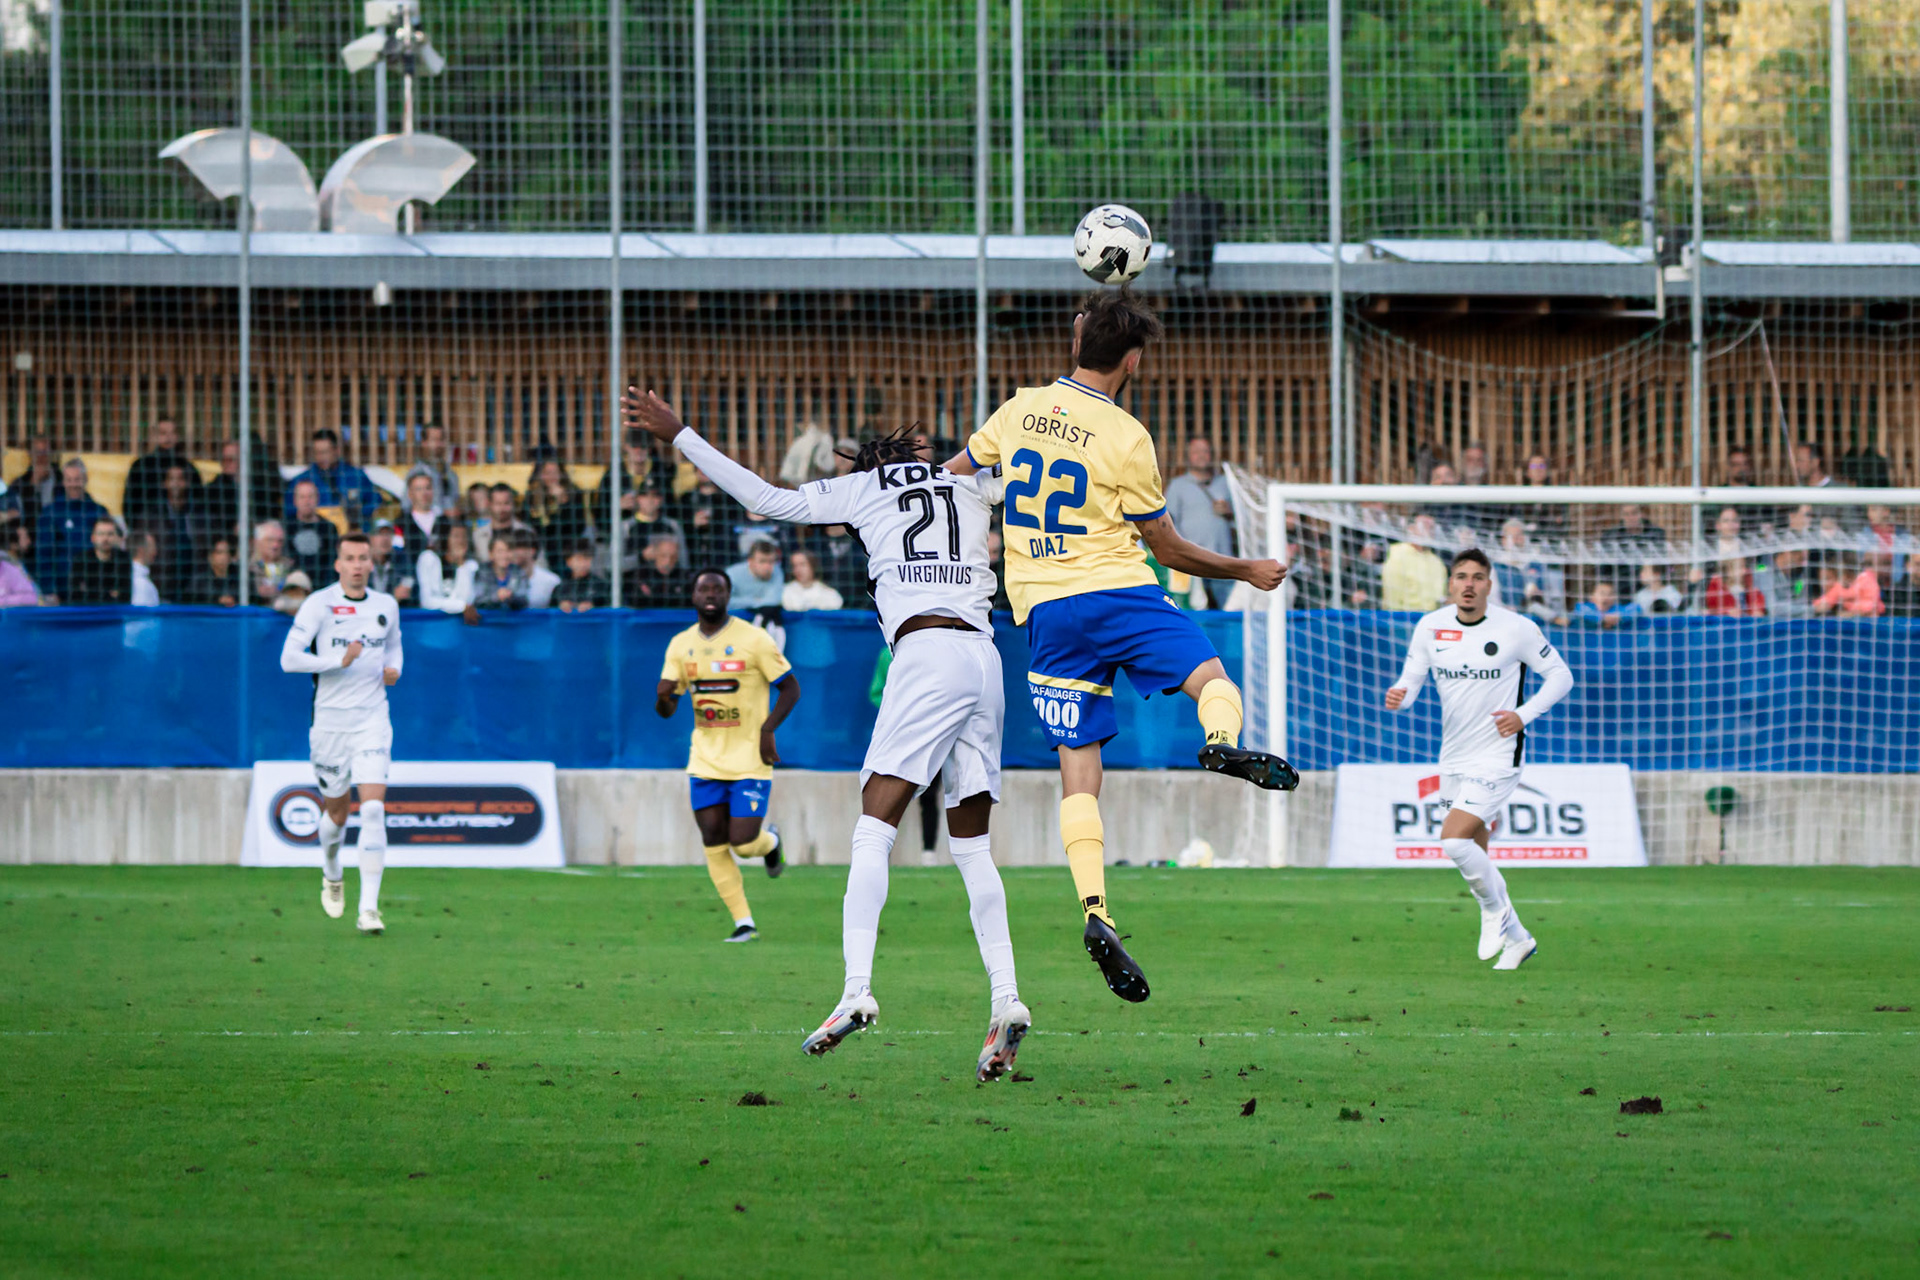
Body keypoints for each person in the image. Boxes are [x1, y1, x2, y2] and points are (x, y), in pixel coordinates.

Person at [628, 390, 1029, 1079]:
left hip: (925, 652)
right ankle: (1007, 999)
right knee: (974, 846)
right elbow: (1035, 477)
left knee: (874, 829)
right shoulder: (970, 479)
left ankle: (855, 991)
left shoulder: (863, 487)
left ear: (872, 461)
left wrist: (681, 435)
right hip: (986, 659)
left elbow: (765, 498)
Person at [939, 290, 1291, 1005]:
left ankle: (1096, 911)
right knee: (1212, 678)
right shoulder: (1128, 437)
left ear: (1078, 341)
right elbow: (1169, 548)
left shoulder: (1017, 409)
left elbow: (953, 475)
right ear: (1134, 359)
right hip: (1118, 593)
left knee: (1079, 772)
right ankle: (1220, 740)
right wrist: (1246, 570)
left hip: (1043, 612)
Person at [1384, 548, 1573, 970]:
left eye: (1477, 577)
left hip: (1499, 754)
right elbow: (1411, 680)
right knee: (1473, 849)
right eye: (1461, 576)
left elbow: (1561, 676)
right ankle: (1519, 938)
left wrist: (1523, 715)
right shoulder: (1430, 626)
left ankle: (1494, 913)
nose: (1468, 584)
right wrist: (1401, 696)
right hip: (1453, 755)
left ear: (1490, 585)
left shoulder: (1517, 628)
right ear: (1450, 584)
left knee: (1452, 840)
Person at [654, 569, 799, 944]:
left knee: (744, 842)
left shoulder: (754, 639)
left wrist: (767, 731)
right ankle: (743, 922)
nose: (711, 594)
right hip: (705, 759)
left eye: (718, 588)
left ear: (728, 595)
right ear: (693, 596)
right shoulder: (680, 645)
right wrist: (663, 698)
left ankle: (770, 843)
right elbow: (667, 708)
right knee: (714, 839)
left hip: (750, 758)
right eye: (704, 588)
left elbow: (791, 689)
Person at [278, 531, 403, 935]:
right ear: (338, 564)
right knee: (337, 813)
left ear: (371, 563)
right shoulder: (319, 604)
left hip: (372, 719)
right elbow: (288, 661)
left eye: (363, 558)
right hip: (330, 723)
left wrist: (395, 670)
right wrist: (338, 660)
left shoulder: (387, 605)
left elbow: (395, 647)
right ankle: (332, 870)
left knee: (371, 809)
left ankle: (368, 909)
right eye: (349, 558)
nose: (357, 565)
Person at [1163, 435, 1236, 607]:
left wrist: (1229, 513)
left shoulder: (1226, 484)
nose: (1201, 455)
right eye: (1196, 452)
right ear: (1188, 456)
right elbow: (1168, 522)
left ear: (1212, 455)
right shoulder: (1177, 485)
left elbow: (1244, 525)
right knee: (1194, 610)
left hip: (1222, 559)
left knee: (1228, 611)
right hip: (1192, 562)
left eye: (1205, 451)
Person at [34, 459, 109, 602]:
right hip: (64, 593)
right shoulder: (51, 513)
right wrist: (49, 590)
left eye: (77, 479)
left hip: (96, 591)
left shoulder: (99, 512)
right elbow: (44, 554)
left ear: (85, 480)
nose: (73, 484)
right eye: (69, 480)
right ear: (63, 482)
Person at [286, 428, 378, 530]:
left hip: (352, 536)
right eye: (317, 452)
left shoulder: (356, 476)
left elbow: (375, 500)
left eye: (325, 452)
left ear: (337, 450)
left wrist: (359, 516)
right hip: (318, 536)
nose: (321, 457)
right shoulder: (302, 480)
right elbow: (289, 511)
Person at [123, 417, 194, 526]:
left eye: (172, 433)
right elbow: (129, 505)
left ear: (177, 437)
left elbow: (197, 504)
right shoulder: (141, 466)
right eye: (163, 433)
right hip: (148, 529)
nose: (168, 437)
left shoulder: (188, 468)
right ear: (154, 437)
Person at [525, 459, 589, 567]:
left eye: (555, 472)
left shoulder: (574, 493)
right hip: (542, 547)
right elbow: (532, 525)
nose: (552, 477)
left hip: (568, 547)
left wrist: (564, 503)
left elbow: (578, 527)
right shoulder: (532, 494)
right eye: (547, 473)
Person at [1381, 514, 1449, 612]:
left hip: (1430, 620)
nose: (1429, 530)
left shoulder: (1438, 562)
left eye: (1432, 527)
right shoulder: (1397, 553)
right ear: (1411, 529)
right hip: (1402, 618)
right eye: (1424, 525)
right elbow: (1392, 596)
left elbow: (1440, 597)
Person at [416, 523, 480, 618]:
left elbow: (468, 601)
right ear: (446, 538)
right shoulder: (429, 559)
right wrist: (461, 606)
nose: (461, 541)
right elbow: (426, 601)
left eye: (464, 536)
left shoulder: (471, 566)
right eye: (456, 536)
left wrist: (461, 563)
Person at [285, 479, 341, 588]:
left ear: (317, 499)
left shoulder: (329, 528)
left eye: (310, 496)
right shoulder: (286, 527)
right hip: (293, 587)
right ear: (295, 500)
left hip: (322, 586)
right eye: (302, 497)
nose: (307, 501)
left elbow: (332, 563)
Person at [65, 517, 132, 605]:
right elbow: (76, 596)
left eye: (110, 534)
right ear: (93, 537)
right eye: (101, 534)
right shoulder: (81, 560)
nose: (105, 538)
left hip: (114, 614)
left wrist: (89, 591)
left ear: (116, 537)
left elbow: (124, 596)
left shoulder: (123, 559)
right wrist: (110, 594)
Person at [403, 423, 460, 515]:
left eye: (441, 439)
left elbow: (455, 502)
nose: (438, 444)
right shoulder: (415, 473)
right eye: (434, 439)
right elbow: (406, 507)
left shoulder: (451, 474)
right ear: (424, 443)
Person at [8, 434, 57, 533]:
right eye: (37, 452)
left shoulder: (62, 480)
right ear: (30, 454)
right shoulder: (19, 485)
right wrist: (33, 485)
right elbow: (17, 516)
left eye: (44, 452)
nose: (41, 457)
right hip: (30, 536)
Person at [629, 533, 691, 607]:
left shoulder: (684, 578)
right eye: (663, 556)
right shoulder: (642, 576)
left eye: (673, 557)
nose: (668, 562)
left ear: (677, 557)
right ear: (655, 555)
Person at [471, 483, 528, 564]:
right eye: (498, 503)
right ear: (490, 504)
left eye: (506, 503)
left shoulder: (527, 532)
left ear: (513, 504)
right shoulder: (477, 535)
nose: (502, 508)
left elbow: (540, 567)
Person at [1812, 554, 1884, 617]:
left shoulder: (1867, 580)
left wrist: (1852, 614)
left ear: (1849, 574)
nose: (1838, 578)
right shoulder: (1840, 585)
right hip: (1851, 621)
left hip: (1871, 620)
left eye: (1840, 573)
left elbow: (1871, 604)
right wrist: (1818, 605)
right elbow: (1829, 597)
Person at [726, 539, 785, 614]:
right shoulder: (732, 573)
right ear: (750, 561)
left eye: (771, 561)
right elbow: (726, 601)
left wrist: (750, 603)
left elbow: (774, 601)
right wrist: (755, 601)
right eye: (762, 561)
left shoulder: (777, 571)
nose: (767, 566)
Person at [475, 535, 529, 611]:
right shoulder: (482, 572)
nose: (504, 555)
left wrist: (510, 597)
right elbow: (478, 601)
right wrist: (496, 597)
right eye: (500, 551)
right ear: (491, 554)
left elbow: (524, 600)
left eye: (508, 550)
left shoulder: (519, 572)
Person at [510, 528, 560, 608]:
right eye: (511, 548)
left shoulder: (551, 581)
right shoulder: (502, 579)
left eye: (519, 547)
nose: (514, 552)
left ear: (532, 551)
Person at [366, 520, 413, 602]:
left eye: (388, 534)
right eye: (380, 534)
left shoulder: (400, 557)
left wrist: (406, 585)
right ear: (370, 538)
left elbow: (409, 578)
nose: (385, 538)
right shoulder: (361, 559)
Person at [553, 543, 609, 612]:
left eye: (587, 558)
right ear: (568, 562)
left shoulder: (601, 585)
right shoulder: (560, 588)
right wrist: (561, 606)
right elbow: (551, 613)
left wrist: (593, 606)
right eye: (579, 559)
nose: (583, 563)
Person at [250, 520, 294, 606]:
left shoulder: (292, 566)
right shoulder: (248, 567)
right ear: (258, 542)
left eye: (280, 541)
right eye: (270, 540)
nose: (275, 545)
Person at [400, 472, 446, 556]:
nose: (424, 493)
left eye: (428, 488)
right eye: (418, 489)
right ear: (410, 494)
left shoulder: (444, 521)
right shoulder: (401, 523)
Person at [190, 535, 242, 606]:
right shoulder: (200, 582)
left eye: (226, 552)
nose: (223, 557)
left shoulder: (239, 579)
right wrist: (217, 601)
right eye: (219, 552)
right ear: (210, 556)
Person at [0, 523, 39, 606]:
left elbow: (30, 594)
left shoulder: (15, 562)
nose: (29, 541)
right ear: (13, 544)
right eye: (25, 538)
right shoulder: (6, 563)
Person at [1571, 580, 1639, 628]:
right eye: (1602, 593)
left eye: (1610, 594)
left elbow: (1636, 608)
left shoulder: (1617, 609)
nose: (1606, 597)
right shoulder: (1585, 607)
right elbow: (1580, 609)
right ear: (1592, 597)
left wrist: (1619, 616)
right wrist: (1603, 618)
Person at [128, 529, 162, 606]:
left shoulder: (141, 578)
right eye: (152, 547)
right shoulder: (141, 584)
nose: (155, 552)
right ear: (141, 550)